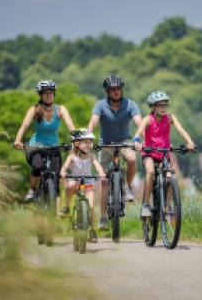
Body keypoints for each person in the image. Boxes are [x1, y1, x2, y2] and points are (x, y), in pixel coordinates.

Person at [87, 75, 142, 230]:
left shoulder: (130, 104)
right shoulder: (100, 105)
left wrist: (139, 139)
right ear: (107, 92)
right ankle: (103, 218)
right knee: (104, 181)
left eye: (118, 89)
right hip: (106, 144)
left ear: (122, 89)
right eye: (113, 90)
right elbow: (93, 121)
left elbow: (139, 122)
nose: (116, 92)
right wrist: (89, 137)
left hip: (125, 142)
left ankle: (128, 187)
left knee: (131, 159)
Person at [133, 91, 195, 217]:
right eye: (160, 105)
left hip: (164, 154)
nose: (163, 108)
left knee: (169, 176)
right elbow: (138, 133)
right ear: (153, 107)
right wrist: (137, 142)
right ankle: (146, 205)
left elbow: (181, 130)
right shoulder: (148, 119)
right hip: (149, 153)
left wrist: (189, 142)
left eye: (165, 105)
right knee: (150, 172)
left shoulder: (170, 118)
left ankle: (167, 205)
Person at [14, 80, 75, 201]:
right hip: (36, 146)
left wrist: (76, 140)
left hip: (54, 147)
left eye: (51, 93)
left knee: (57, 175)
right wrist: (18, 140)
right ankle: (32, 190)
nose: (48, 95)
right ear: (40, 95)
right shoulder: (35, 110)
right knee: (37, 166)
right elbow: (25, 125)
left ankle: (54, 209)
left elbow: (70, 125)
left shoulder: (60, 109)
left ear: (54, 94)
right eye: (45, 93)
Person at [60, 128, 105, 243]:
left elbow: (98, 167)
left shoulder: (92, 156)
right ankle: (66, 207)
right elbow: (64, 169)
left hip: (88, 184)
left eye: (90, 142)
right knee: (70, 185)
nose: (89, 145)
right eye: (85, 142)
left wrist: (101, 173)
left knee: (91, 206)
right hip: (75, 182)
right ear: (77, 143)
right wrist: (63, 172)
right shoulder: (72, 156)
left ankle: (92, 230)